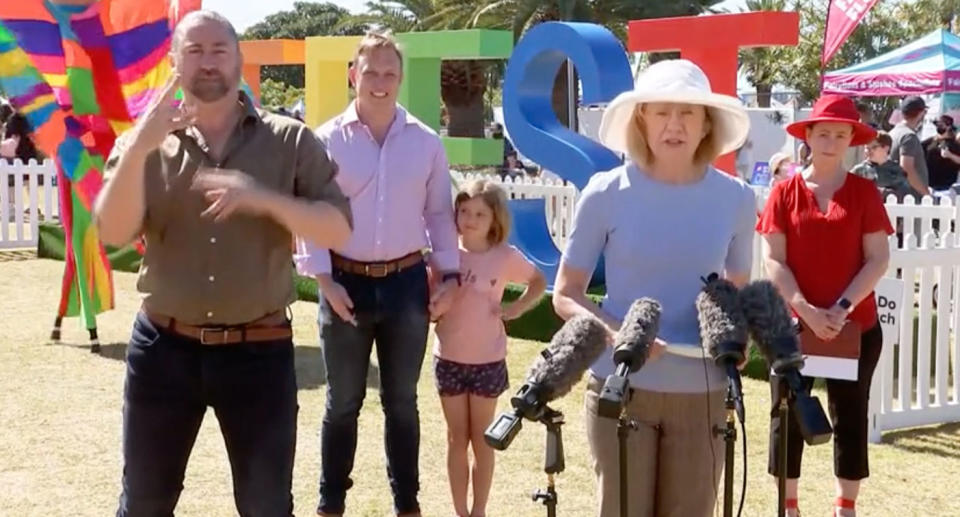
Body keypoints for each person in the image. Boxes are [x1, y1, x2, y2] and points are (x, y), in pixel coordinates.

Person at [93, 11, 352, 516]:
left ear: (239, 58)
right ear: (173, 63)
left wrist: (264, 199)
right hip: (163, 351)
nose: (207, 62)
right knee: (145, 502)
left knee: (266, 505)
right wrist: (143, 145)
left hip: (259, 353)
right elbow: (111, 231)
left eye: (218, 50)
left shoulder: (290, 140)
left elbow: (338, 226)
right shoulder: (143, 143)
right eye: (194, 51)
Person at [553, 59, 757, 516]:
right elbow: (566, 294)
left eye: (687, 113)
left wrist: (737, 335)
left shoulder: (738, 198)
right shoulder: (605, 192)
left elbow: (736, 291)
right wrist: (620, 334)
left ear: (707, 124)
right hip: (620, 386)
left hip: (702, 392)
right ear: (641, 119)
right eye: (662, 112)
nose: (674, 125)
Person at [294, 32, 459, 517]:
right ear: (353, 75)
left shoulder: (427, 144)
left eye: (390, 73)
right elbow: (311, 211)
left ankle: (407, 504)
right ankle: (331, 503)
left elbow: (439, 215)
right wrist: (324, 281)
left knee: (402, 403)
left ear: (401, 78)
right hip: (344, 285)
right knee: (342, 402)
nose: (380, 82)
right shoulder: (325, 140)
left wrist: (448, 278)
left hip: (408, 285)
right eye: (371, 72)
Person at [757, 94, 893, 517]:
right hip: (793, 328)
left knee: (850, 416)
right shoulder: (783, 193)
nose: (831, 140)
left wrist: (841, 308)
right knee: (786, 413)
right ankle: (789, 505)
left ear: (852, 138)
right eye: (823, 132)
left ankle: (845, 507)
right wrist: (806, 310)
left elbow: (878, 258)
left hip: (855, 328)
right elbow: (773, 259)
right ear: (808, 136)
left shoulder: (865, 193)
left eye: (840, 133)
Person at [432, 179, 546, 517]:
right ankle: (459, 511)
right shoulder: (444, 254)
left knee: (482, 441)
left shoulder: (505, 257)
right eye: (464, 211)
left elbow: (538, 281)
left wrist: (516, 309)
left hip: (487, 362)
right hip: (448, 358)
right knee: (456, 439)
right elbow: (428, 296)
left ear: (495, 219)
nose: (469, 219)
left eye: (479, 213)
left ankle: (479, 510)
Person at [851, 131, 915, 200]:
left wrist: (883, 193)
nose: (868, 151)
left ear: (886, 148)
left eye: (874, 147)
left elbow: (905, 194)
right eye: (866, 147)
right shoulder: (859, 171)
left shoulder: (897, 171)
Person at [889, 96, 931, 196]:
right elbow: (907, 168)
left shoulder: (892, 133)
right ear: (921, 113)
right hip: (909, 197)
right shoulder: (909, 136)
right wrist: (925, 193)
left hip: (895, 194)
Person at [922, 114, 960, 192]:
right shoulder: (930, 141)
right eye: (937, 124)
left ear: (948, 127)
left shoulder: (954, 144)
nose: (938, 126)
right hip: (929, 183)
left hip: (946, 186)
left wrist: (950, 155)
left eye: (941, 125)